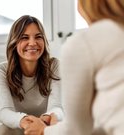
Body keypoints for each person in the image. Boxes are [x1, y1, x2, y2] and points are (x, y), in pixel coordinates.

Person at [26, 0, 124, 135]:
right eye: (25, 38)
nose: (32, 43)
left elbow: (77, 130)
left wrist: (44, 131)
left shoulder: (84, 43)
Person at [0, 15, 64, 135]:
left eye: (38, 37)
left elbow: (57, 106)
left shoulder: (54, 66)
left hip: (46, 125)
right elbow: (5, 112)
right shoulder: (2, 70)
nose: (32, 43)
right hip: (20, 126)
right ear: (14, 42)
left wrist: (47, 118)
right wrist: (25, 121)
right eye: (24, 38)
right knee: (2, 130)